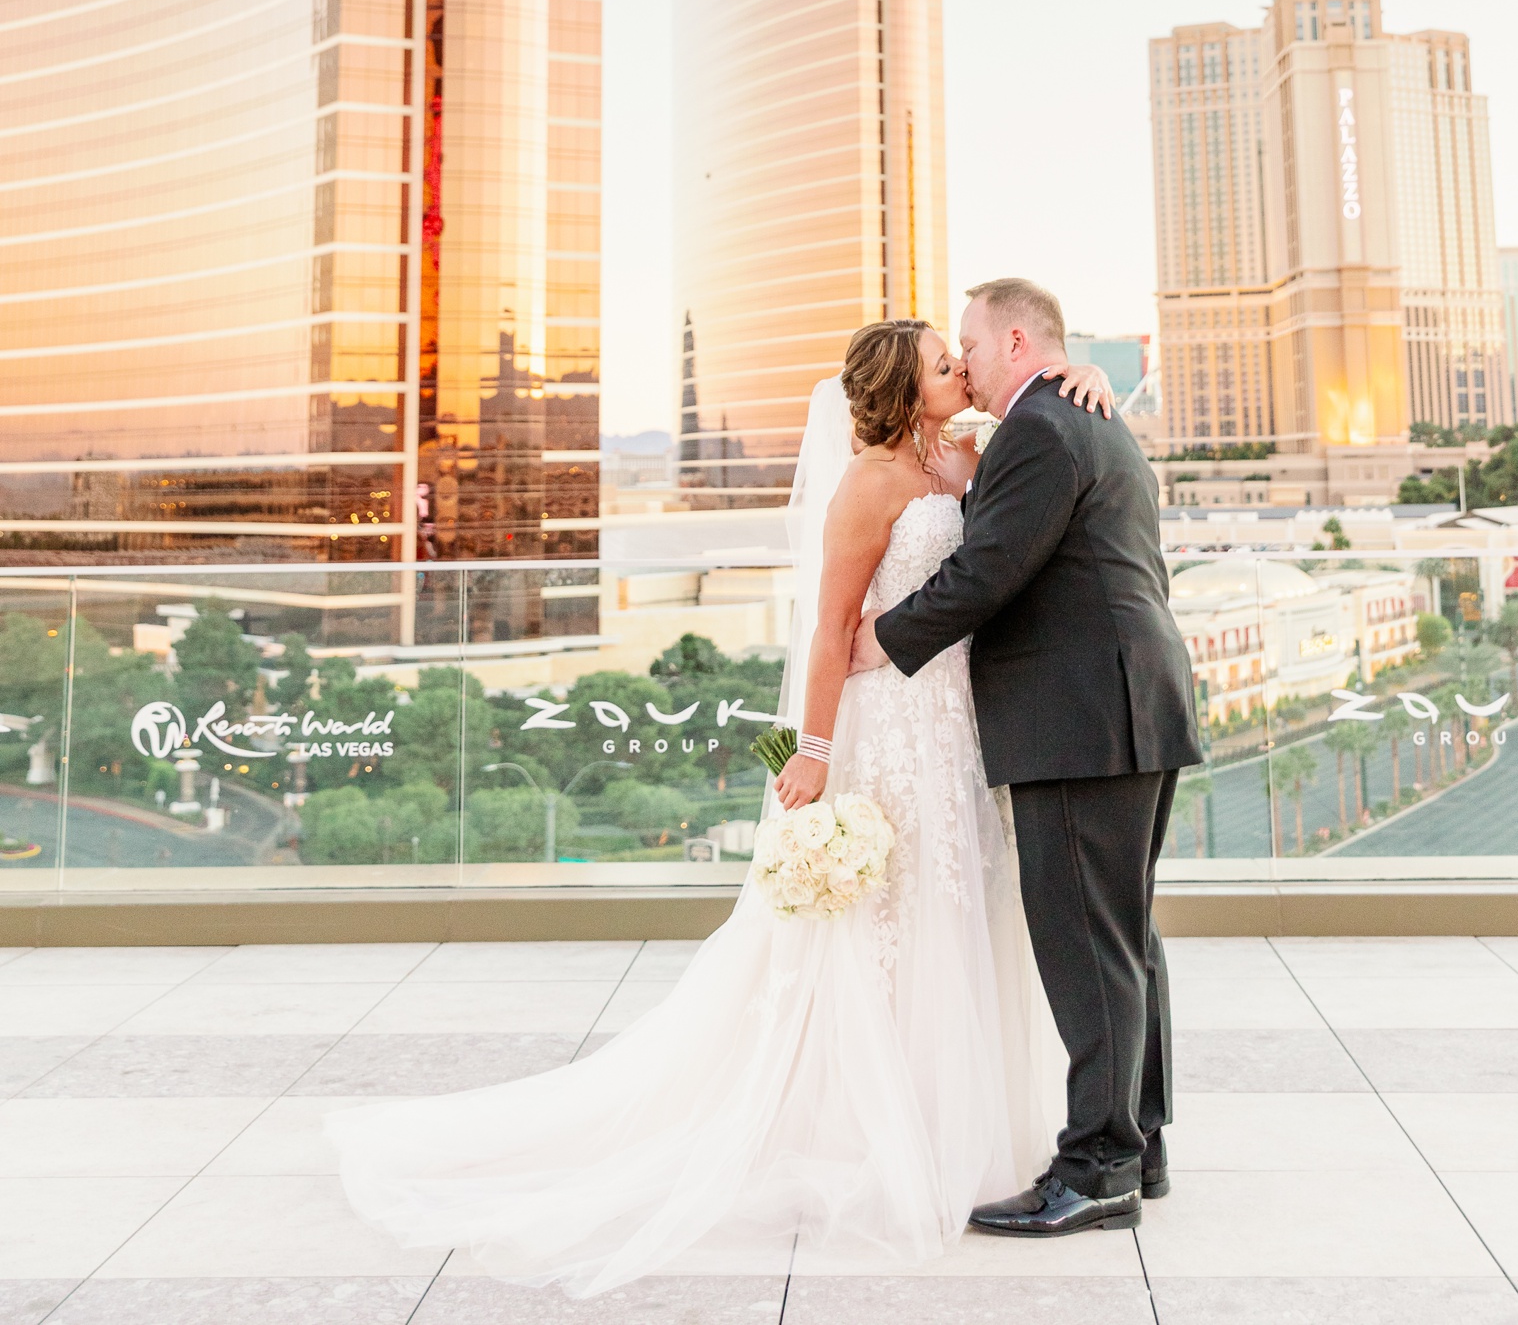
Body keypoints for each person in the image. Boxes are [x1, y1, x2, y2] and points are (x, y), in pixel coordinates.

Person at [330, 321, 1114, 1294]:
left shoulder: (961, 448)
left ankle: (950, 1130)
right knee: (884, 930)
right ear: (906, 391)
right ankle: (873, 1141)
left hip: (953, 724)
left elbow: (1033, 421)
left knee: (955, 914)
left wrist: (1081, 368)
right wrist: (812, 757)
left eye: (960, 358)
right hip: (885, 730)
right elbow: (825, 635)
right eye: (941, 364)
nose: (960, 369)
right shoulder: (867, 485)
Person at [850, 275, 1203, 1238]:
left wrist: (881, 639)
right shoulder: (1085, 415)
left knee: (1088, 943)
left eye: (969, 343)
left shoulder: (1046, 428)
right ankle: (1140, 1144)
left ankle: (1097, 1167)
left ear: (1015, 341)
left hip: (1084, 720)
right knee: (1122, 937)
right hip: (1129, 706)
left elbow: (986, 571)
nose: (960, 362)